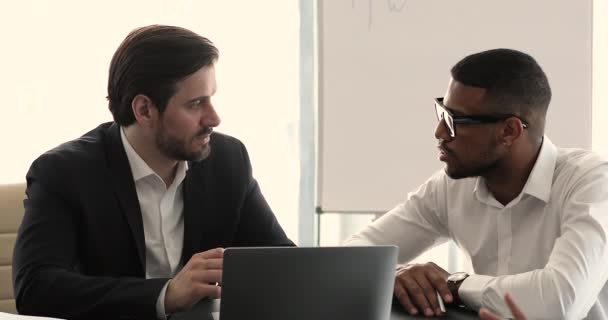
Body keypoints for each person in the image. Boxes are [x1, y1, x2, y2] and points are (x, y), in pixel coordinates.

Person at [12, 25, 294, 320]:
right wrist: (167, 294)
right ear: (145, 110)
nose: (214, 118)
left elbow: (280, 262)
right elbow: (35, 288)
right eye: (196, 104)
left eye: (211, 98)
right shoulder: (65, 172)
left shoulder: (227, 160)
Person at [345, 48, 608, 319]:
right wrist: (396, 273)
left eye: (454, 120)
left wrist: (454, 283)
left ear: (509, 131)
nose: (439, 133)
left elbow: (559, 302)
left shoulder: (592, 183)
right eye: (441, 112)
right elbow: (352, 256)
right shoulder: (450, 189)